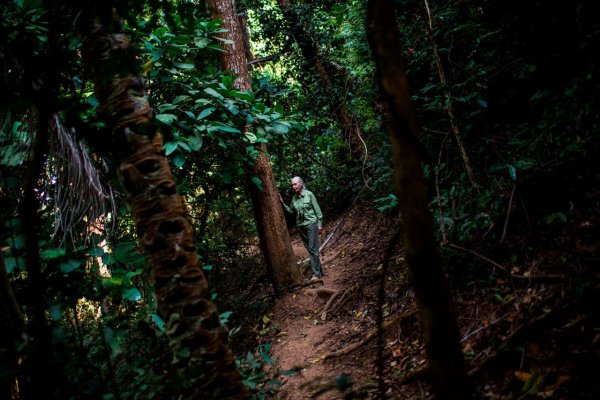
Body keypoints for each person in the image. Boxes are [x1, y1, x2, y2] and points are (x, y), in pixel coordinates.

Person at [279, 176, 324, 281]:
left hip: (311, 224)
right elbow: (291, 211)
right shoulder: (294, 198)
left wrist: (320, 224)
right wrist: (282, 203)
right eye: (292, 185)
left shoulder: (309, 195)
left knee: (313, 248)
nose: (293, 187)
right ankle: (320, 271)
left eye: (295, 184)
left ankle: (316, 274)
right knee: (310, 249)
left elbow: (318, 211)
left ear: (301, 184)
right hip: (301, 226)